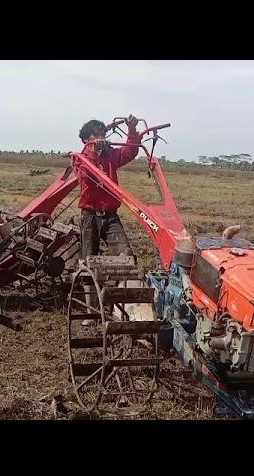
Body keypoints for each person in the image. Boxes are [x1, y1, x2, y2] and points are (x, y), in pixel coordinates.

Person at [74, 115, 141, 325]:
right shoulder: (80, 158)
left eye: (103, 135)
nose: (102, 138)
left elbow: (130, 151)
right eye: (97, 136)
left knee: (126, 254)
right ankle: (91, 311)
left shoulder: (110, 155)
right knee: (88, 261)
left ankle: (121, 304)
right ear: (87, 140)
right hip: (90, 215)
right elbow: (89, 176)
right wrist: (93, 150)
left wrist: (131, 130)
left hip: (110, 215)